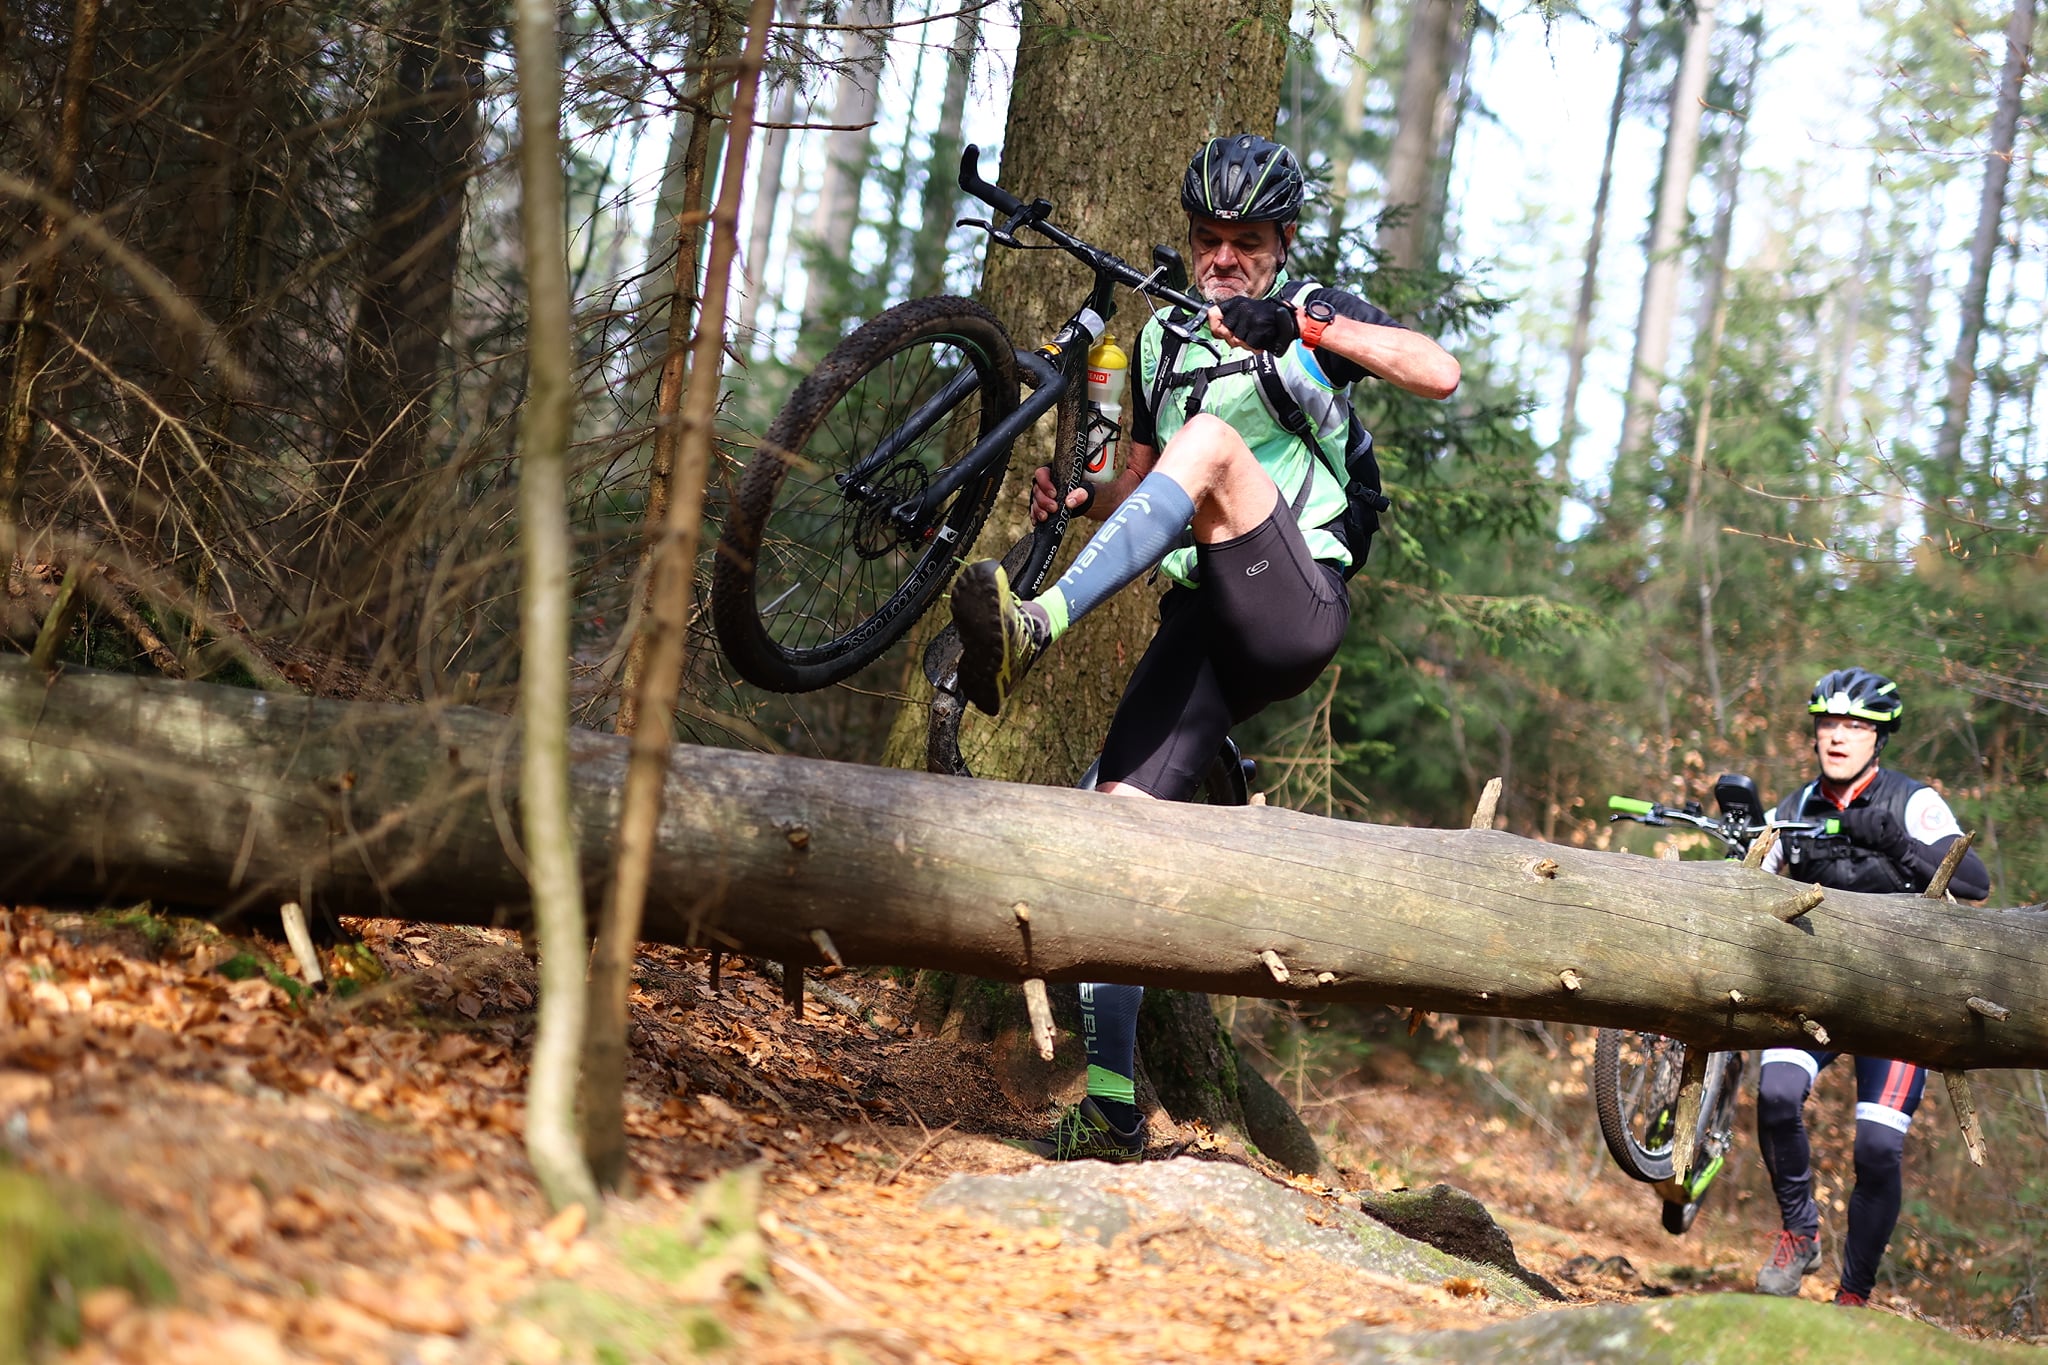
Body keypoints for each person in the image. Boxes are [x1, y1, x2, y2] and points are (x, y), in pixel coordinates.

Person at [947, 133, 1460, 1161]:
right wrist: (1083, 495)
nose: (1224, 258)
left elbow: (1436, 373)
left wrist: (1302, 322)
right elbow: (1148, 485)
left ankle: (1037, 623)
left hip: (1292, 602)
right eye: (1208, 239)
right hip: (1201, 623)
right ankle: (1110, 1108)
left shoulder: (1312, 314)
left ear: (1282, 243)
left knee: (1218, 444)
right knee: (1116, 824)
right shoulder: (1159, 343)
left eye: (1246, 243)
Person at [1752, 666, 1990, 1305]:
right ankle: (1800, 1232)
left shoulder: (1912, 801)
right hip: (1816, 991)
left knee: (1879, 1149)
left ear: (1878, 738)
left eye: (1854, 726)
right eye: (1828, 723)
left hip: (1901, 997)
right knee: (1776, 1094)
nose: (1837, 737)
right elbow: (1743, 884)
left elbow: (1975, 882)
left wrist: (1900, 846)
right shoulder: (1793, 810)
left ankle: (1853, 1297)